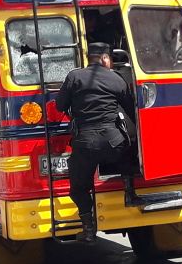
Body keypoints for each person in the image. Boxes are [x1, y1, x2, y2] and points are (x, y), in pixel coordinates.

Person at [56, 42, 143, 243]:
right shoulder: (116, 78)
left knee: (78, 187)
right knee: (129, 150)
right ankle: (129, 192)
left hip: (85, 143)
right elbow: (132, 109)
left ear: (89, 57)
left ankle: (88, 229)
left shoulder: (74, 77)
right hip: (113, 141)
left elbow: (60, 105)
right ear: (105, 58)